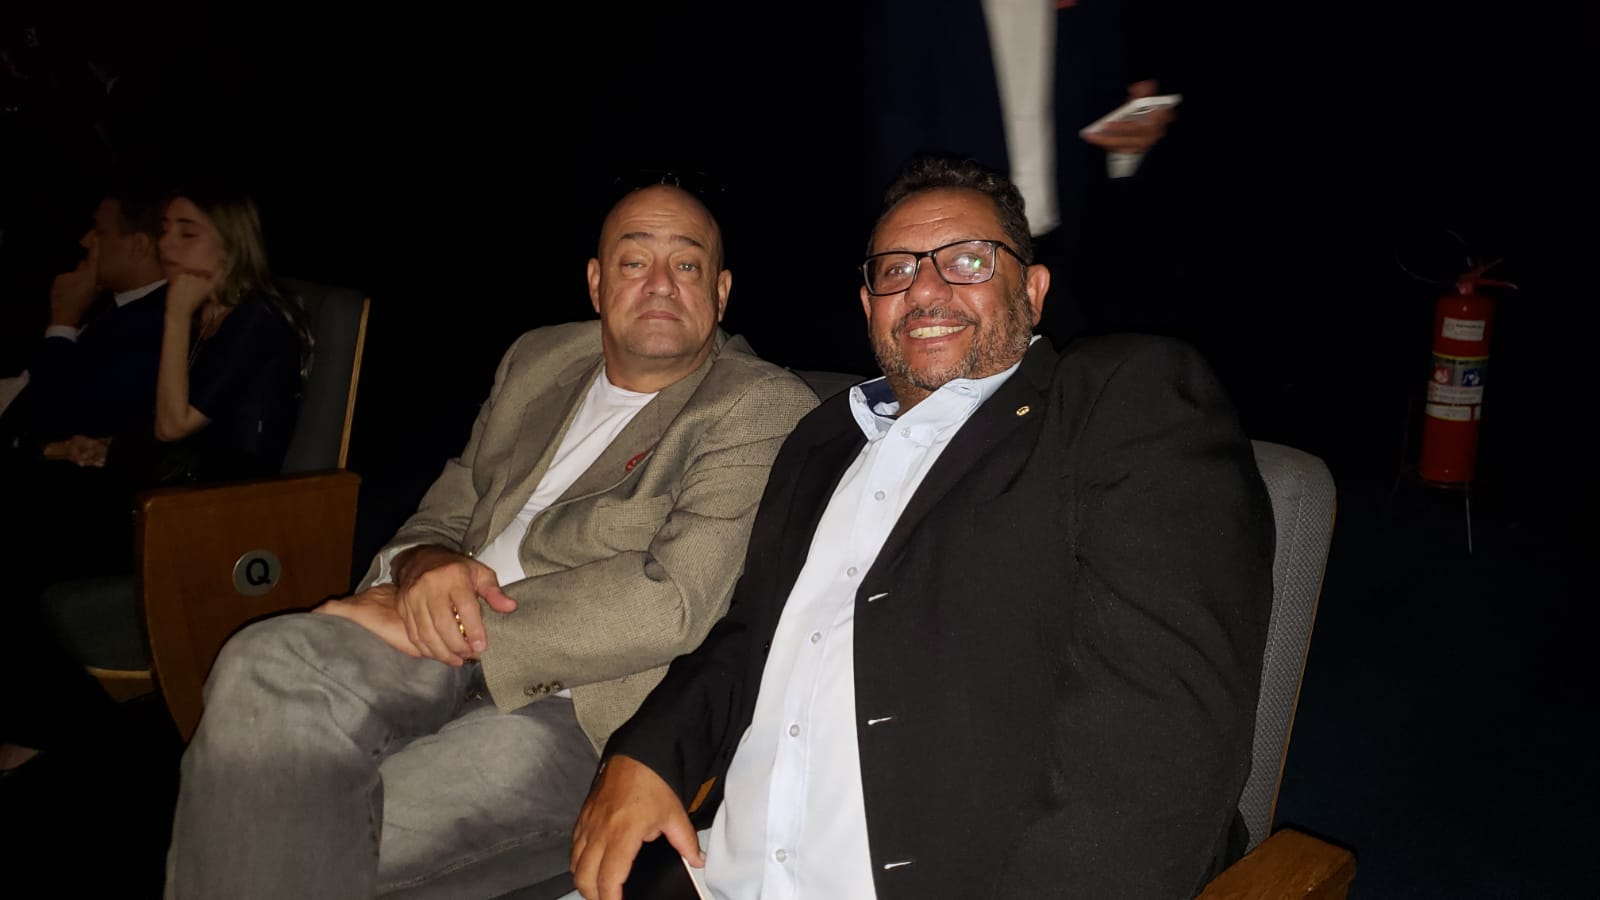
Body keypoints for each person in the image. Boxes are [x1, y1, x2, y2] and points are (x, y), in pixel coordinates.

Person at [568, 155, 1275, 900]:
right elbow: (749, 634)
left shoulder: (1112, 400)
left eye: (968, 261)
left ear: (1033, 291)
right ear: (868, 303)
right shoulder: (820, 442)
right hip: (717, 874)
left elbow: (1161, 738)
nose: (926, 290)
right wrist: (646, 752)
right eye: (897, 270)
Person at [162, 182, 820, 899]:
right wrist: (418, 567)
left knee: (291, 821)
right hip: (430, 637)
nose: (660, 283)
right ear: (596, 283)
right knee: (261, 664)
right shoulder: (540, 360)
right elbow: (449, 508)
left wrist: (460, 621)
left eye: (687, 265)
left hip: (577, 702)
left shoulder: (757, 404)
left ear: (720, 293)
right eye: (634, 262)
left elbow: (674, 601)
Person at [0, 185, 309, 775]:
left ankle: (68, 729)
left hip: (211, 514)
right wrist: (110, 447)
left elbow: (175, 424)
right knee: (23, 504)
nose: (168, 244)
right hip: (170, 492)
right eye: (166, 229)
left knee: (24, 535)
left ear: (231, 245)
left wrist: (174, 314)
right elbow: (171, 428)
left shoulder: (254, 318)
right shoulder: (211, 311)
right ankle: (52, 719)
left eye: (187, 233)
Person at [0, 186, 169, 463]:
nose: (85, 241)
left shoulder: (153, 325)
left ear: (138, 246)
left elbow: (51, 420)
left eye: (99, 232)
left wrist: (62, 322)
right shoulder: (116, 306)